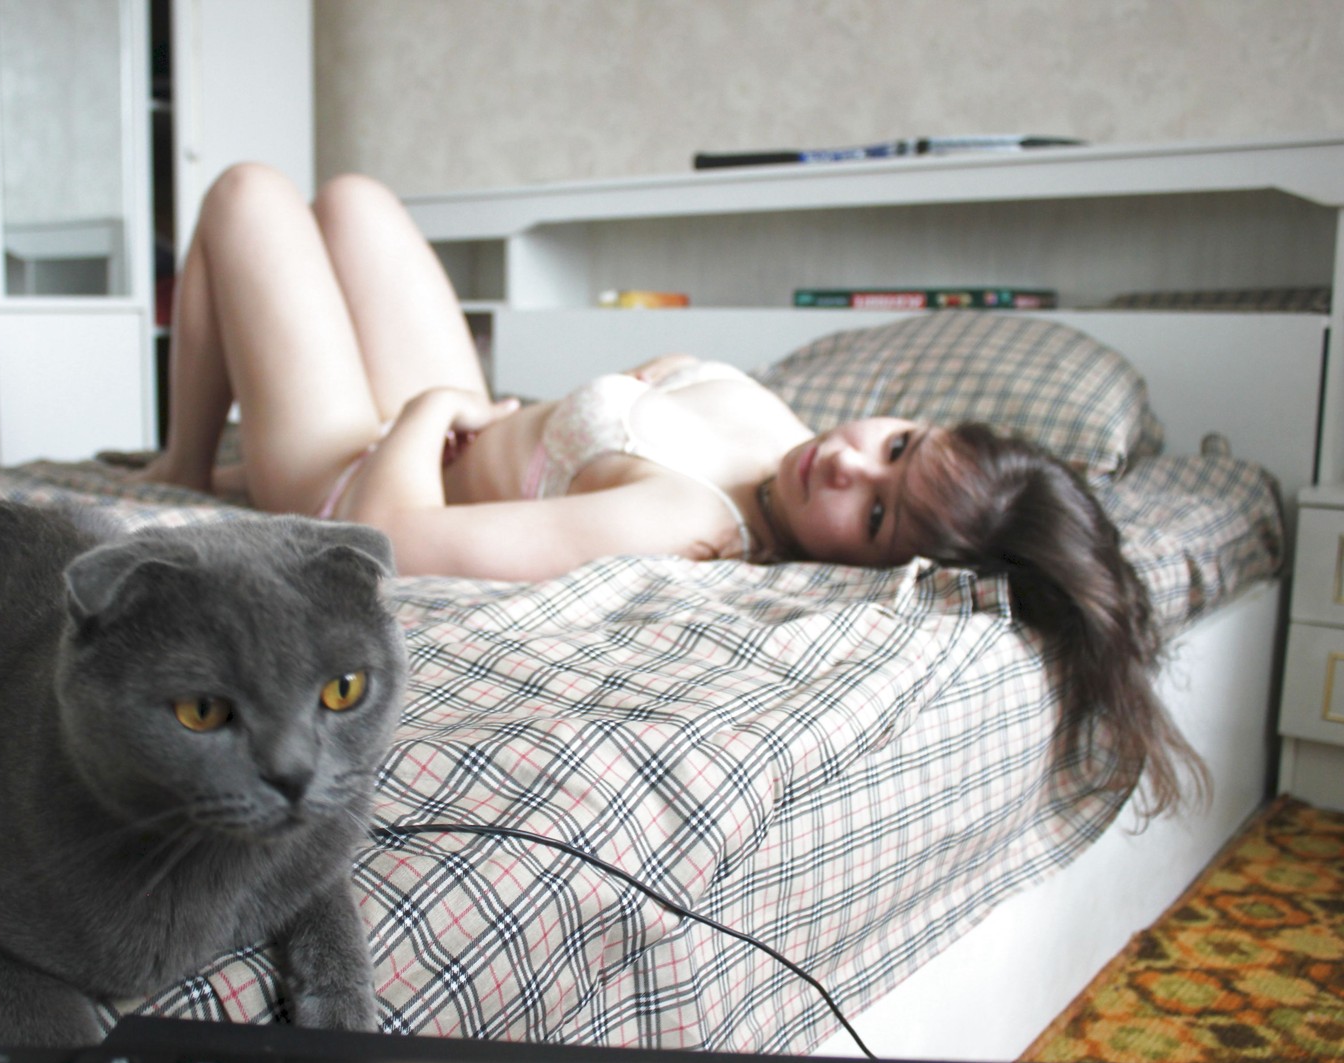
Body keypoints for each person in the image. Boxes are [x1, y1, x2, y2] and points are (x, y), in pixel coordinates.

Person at [138, 163, 1205, 818]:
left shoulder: (691, 518)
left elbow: (390, 540)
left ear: (871, 564)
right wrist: (476, 414)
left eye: (875, 513)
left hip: (358, 471)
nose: (848, 463)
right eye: (898, 442)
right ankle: (209, 461)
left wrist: (422, 415)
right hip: (464, 419)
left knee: (246, 194)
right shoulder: (787, 435)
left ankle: (186, 467)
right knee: (354, 199)